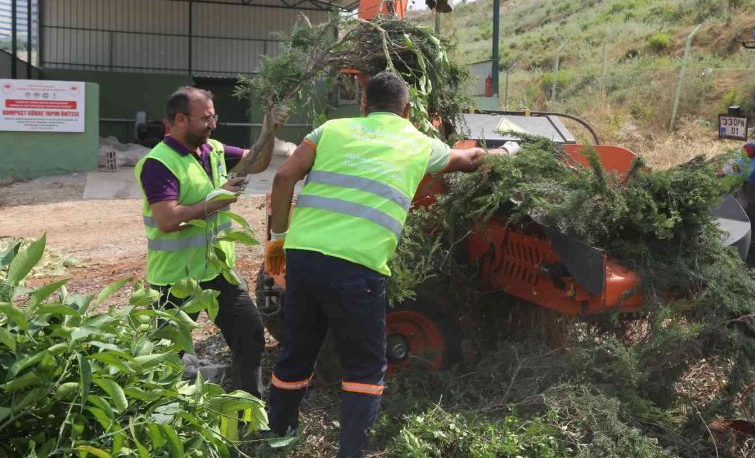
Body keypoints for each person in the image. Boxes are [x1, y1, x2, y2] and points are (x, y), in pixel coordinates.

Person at [264, 71, 518, 456]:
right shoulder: (417, 142)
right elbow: (471, 159)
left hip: (303, 257)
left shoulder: (330, 130)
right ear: (408, 109)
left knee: (296, 352)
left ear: (363, 104)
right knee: (365, 369)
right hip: (357, 266)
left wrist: (277, 242)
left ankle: (278, 435)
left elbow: (283, 178)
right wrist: (509, 151)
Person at [134, 86, 276, 398]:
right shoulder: (159, 163)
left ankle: (247, 412)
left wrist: (270, 127)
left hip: (219, 271)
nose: (212, 124)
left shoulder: (213, 151)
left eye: (214, 117)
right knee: (166, 353)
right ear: (180, 120)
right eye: (206, 118)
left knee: (250, 335)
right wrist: (216, 199)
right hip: (177, 279)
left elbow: (259, 161)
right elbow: (168, 220)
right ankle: (159, 415)